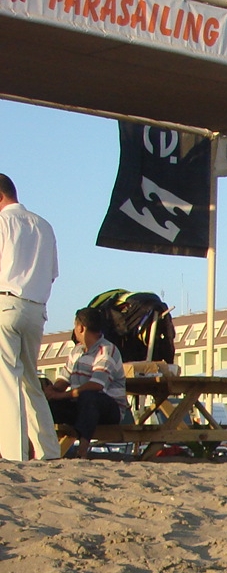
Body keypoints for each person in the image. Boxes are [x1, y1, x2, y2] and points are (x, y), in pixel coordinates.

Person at [0, 173, 62, 462]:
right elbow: (52, 274)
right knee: (30, 381)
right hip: (36, 308)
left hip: (6, 302)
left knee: (7, 381)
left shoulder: (3, 222)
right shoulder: (44, 225)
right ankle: (48, 449)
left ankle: (15, 452)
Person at [46, 305, 128, 459]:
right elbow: (64, 379)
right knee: (46, 404)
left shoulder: (106, 349)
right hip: (80, 405)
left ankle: (83, 448)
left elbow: (96, 385)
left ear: (81, 328)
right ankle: (44, 446)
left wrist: (61, 395)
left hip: (108, 408)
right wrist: (51, 391)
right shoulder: (76, 351)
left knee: (89, 396)